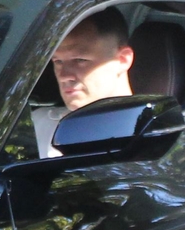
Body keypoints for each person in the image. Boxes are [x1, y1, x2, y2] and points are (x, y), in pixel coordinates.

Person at [28, 9, 137, 155]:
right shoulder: (36, 125)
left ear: (123, 60)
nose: (64, 75)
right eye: (58, 61)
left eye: (80, 60)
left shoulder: (152, 135)